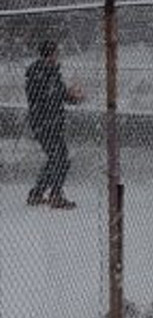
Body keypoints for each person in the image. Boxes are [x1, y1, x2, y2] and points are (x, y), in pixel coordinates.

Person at [25, 40, 84, 209]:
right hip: (44, 123)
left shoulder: (52, 73)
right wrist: (63, 94)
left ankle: (37, 193)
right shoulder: (38, 73)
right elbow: (43, 97)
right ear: (49, 55)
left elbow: (59, 95)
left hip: (53, 123)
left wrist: (72, 97)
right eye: (55, 54)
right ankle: (55, 195)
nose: (57, 57)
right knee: (60, 158)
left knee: (56, 158)